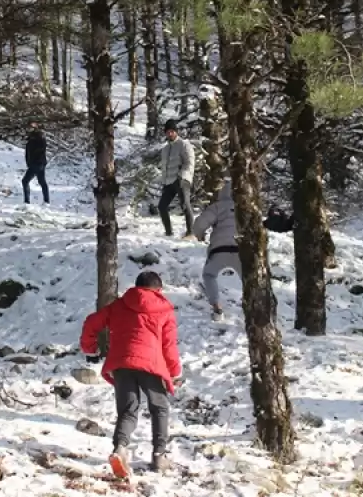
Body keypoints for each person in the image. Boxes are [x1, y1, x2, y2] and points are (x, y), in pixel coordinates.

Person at [80, 271, 182, 477]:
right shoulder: (164, 309)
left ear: (136, 287)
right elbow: (169, 345)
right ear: (158, 290)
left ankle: (120, 449)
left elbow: (92, 321)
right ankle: (159, 455)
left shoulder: (119, 305)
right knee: (159, 408)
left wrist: (90, 347)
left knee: (128, 410)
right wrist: (174, 372)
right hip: (151, 365)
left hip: (122, 363)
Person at [193, 175, 240, 322]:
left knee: (209, 275)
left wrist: (200, 235)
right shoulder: (246, 207)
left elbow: (199, 224)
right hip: (241, 252)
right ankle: (255, 308)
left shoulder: (218, 206)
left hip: (219, 250)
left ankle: (217, 307)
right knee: (250, 280)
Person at [158, 119, 195, 239]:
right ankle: (168, 232)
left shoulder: (184, 144)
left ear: (176, 132)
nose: (170, 134)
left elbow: (189, 163)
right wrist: (163, 182)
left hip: (181, 180)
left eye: (172, 131)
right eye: (168, 132)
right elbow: (164, 168)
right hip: (168, 182)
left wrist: (182, 176)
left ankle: (190, 232)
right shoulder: (165, 149)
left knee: (185, 204)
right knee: (162, 206)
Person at [22, 121, 50, 204]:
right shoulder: (32, 138)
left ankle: (27, 202)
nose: (29, 129)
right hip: (39, 163)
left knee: (25, 181)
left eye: (31, 127)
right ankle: (46, 201)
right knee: (42, 182)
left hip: (36, 163)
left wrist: (32, 161)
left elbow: (41, 148)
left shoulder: (38, 137)